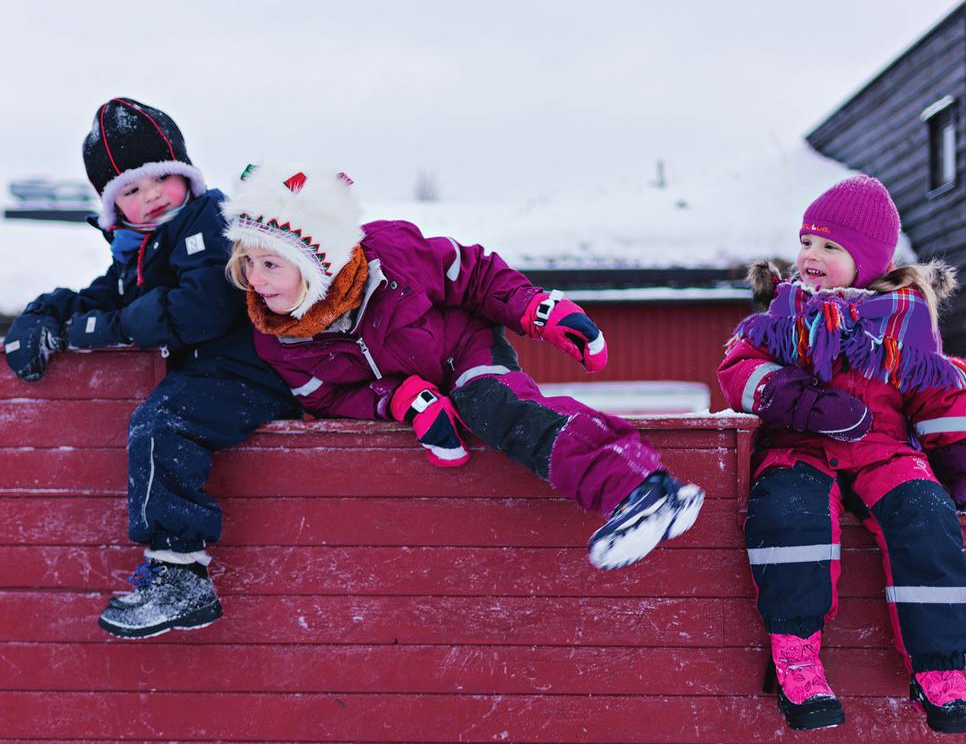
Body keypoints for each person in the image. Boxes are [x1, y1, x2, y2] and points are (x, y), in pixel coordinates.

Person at [220, 162, 705, 570]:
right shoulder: (278, 339)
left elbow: (474, 275)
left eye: (270, 265)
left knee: (492, 405)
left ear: (316, 262)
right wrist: (398, 401)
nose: (256, 282)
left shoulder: (389, 257)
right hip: (413, 391)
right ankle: (646, 494)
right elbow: (326, 398)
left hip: (465, 351)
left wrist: (537, 309)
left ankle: (641, 488)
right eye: (248, 265)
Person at [2, 98, 300, 639]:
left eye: (161, 177)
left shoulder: (212, 223)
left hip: (259, 372)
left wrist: (108, 330)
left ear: (186, 174)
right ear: (114, 206)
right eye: (132, 191)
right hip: (218, 377)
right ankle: (173, 574)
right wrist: (46, 313)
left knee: (163, 425)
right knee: (164, 416)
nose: (153, 196)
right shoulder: (141, 250)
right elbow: (105, 296)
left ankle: (179, 575)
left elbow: (204, 307)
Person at [718, 174, 966, 734]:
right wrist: (801, 402)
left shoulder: (903, 322)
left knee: (927, 515)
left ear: (868, 261)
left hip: (883, 452)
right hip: (801, 446)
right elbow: (739, 372)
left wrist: (960, 457)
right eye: (806, 241)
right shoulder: (785, 315)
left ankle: (938, 671)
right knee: (787, 513)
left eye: (830, 246)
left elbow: (937, 393)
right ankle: (796, 656)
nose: (810, 256)